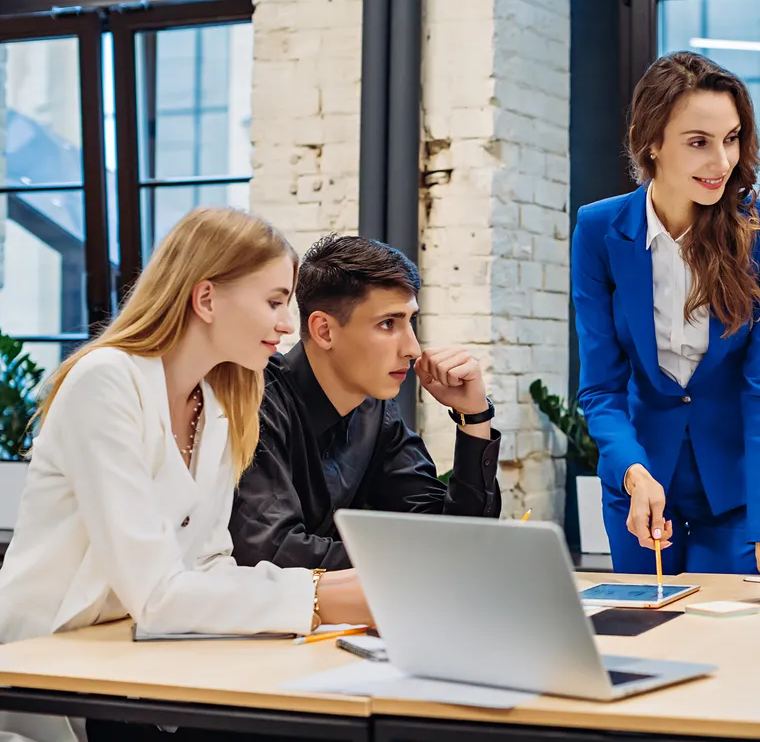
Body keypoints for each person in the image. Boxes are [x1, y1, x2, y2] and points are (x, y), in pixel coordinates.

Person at [0, 209, 373, 742]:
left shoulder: (221, 401)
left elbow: (208, 563)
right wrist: (320, 596)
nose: (287, 324)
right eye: (273, 302)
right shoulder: (106, 382)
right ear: (205, 299)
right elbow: (156, 595)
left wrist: (334, 585)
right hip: (50, 666)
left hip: (135, 662)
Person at [572, 51, 760, 577]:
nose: (722, 162)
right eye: (699, 142)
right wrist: (633, 471)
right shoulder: (599, 231)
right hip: (641, 479)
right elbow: (601, 389)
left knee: (733, 641)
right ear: (651, 141)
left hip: (738, 486)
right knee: (646, 634)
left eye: (731, 139)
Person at [228, 234, 501, 571]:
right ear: (324, 331)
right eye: (388, 324)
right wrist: (425, 560)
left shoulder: (376, 411)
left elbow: (453, 536)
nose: (413, 349)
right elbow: (272, 551)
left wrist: (474, 418)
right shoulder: (257, 399)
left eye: (409, 321)